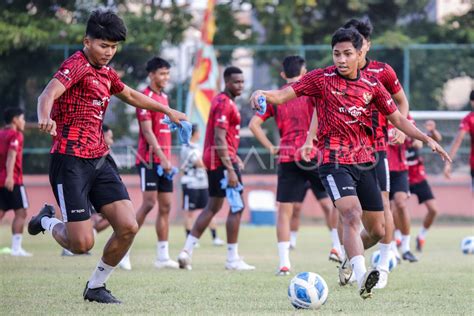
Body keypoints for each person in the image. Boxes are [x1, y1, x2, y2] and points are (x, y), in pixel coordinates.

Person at [250, 27, 450, 299]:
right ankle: (361, 279)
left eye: (347, 54)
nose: (341, 60)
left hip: (365, 161)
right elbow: (284, 94)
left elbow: (398, 119)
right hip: (333, 161)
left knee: (378, 230)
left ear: (360, 54)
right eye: (336, 54)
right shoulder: (321, 79)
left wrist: (427, 139)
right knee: (351, 214)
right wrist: (262, 93)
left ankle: (348, 258)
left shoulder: (372, 85)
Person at [28, 10, 186, 304]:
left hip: (100, 160)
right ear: (87, 41)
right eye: (103, 46)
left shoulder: (107, 73)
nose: (108, 52)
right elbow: (46, 95)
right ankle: (47, 221)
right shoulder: (76, 64)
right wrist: (44, 117)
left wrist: (168, 111)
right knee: (81, 243)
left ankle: (96, 286)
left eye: (113, 47)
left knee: (128, 226)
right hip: (70, 161)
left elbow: (132, 95)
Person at [249, 55, 342, 276]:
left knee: (285, 211)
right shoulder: (311, 92)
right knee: (331, 204)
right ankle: (336, 247)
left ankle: (284, 263)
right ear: (305, 72)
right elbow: (322, 111)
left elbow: (253, 125)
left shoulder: (276, 96)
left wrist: (272, 148)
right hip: (313, 153)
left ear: (283, 75)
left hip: (288, 156)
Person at [342, 18, 410, 288]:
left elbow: (402, 101)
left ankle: (382, 264)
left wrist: (401, 127)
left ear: (366, 45)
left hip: (376, 149)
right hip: (344, 153)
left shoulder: (382, 71)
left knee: (384, 204)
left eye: (357, 43)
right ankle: (350, 258)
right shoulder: (334, 76)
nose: (351, 51)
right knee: (347, 212)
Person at [177, 66, 255, 271]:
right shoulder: (223, 103)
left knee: (213, 207)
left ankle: (186, 251)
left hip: (221, 159)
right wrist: (230, 168)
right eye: (236, 82)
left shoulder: (225, 102)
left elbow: (222, 138)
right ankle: (232, 259)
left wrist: (234, 155)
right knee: (237, 207)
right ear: (226, 82)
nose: (241, 85)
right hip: (221, 162)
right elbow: (219, 138)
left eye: (242, 82)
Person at [120, 57, 180, 271]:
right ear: (151, 75)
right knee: (148, 204)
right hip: (149, 160)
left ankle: (162, 256)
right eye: (162, 74)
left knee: (166, 206)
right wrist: (163, 159)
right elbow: (147, 131)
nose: (166, 78)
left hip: (164, 162)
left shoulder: (164, 98)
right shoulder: (143, 98)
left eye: (167, 74)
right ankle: (123, 251)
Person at [180, 124, 224, 247]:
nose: (200, 134)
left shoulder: (198, 147)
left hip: (202, 183)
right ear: (193, 133)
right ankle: (190, 239)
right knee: (190, 213)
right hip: (190, 183)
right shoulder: (187, 147)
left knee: (209, 209)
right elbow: (200, 163)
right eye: (199, 132)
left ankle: (215, 237)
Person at [405, 119, 442, 252]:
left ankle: (421, 236)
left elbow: (436, 138)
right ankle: (398, 240)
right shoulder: (395, 137)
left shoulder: (416, 136)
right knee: (396, 208)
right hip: (402, 177)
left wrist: (432, 131)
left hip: (419, 177)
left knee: (433, 210)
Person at [0, 107, 31, 257]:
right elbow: (12, 156)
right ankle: (16, 249)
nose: (23, 122)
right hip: (13, 180)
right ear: (15, 120)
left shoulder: (0, 134)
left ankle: (16, 248)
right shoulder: (16, 135)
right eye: (22, 118)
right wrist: (10, 177)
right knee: (21, 212)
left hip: (0, 180)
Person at [387, 125, 417, 263]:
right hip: (381, 168)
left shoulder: (402, 118)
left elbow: (418, 142)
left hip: (400, 170)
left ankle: (405, 248)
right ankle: (392, 248)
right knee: (388, 209)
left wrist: (413, 138)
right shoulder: (374, 115)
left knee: (400, 203)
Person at [444, 90, 474, 191]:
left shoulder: (469, 119)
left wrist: (448, 163)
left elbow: (458, 140)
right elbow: (458, 140)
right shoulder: (469, 119)